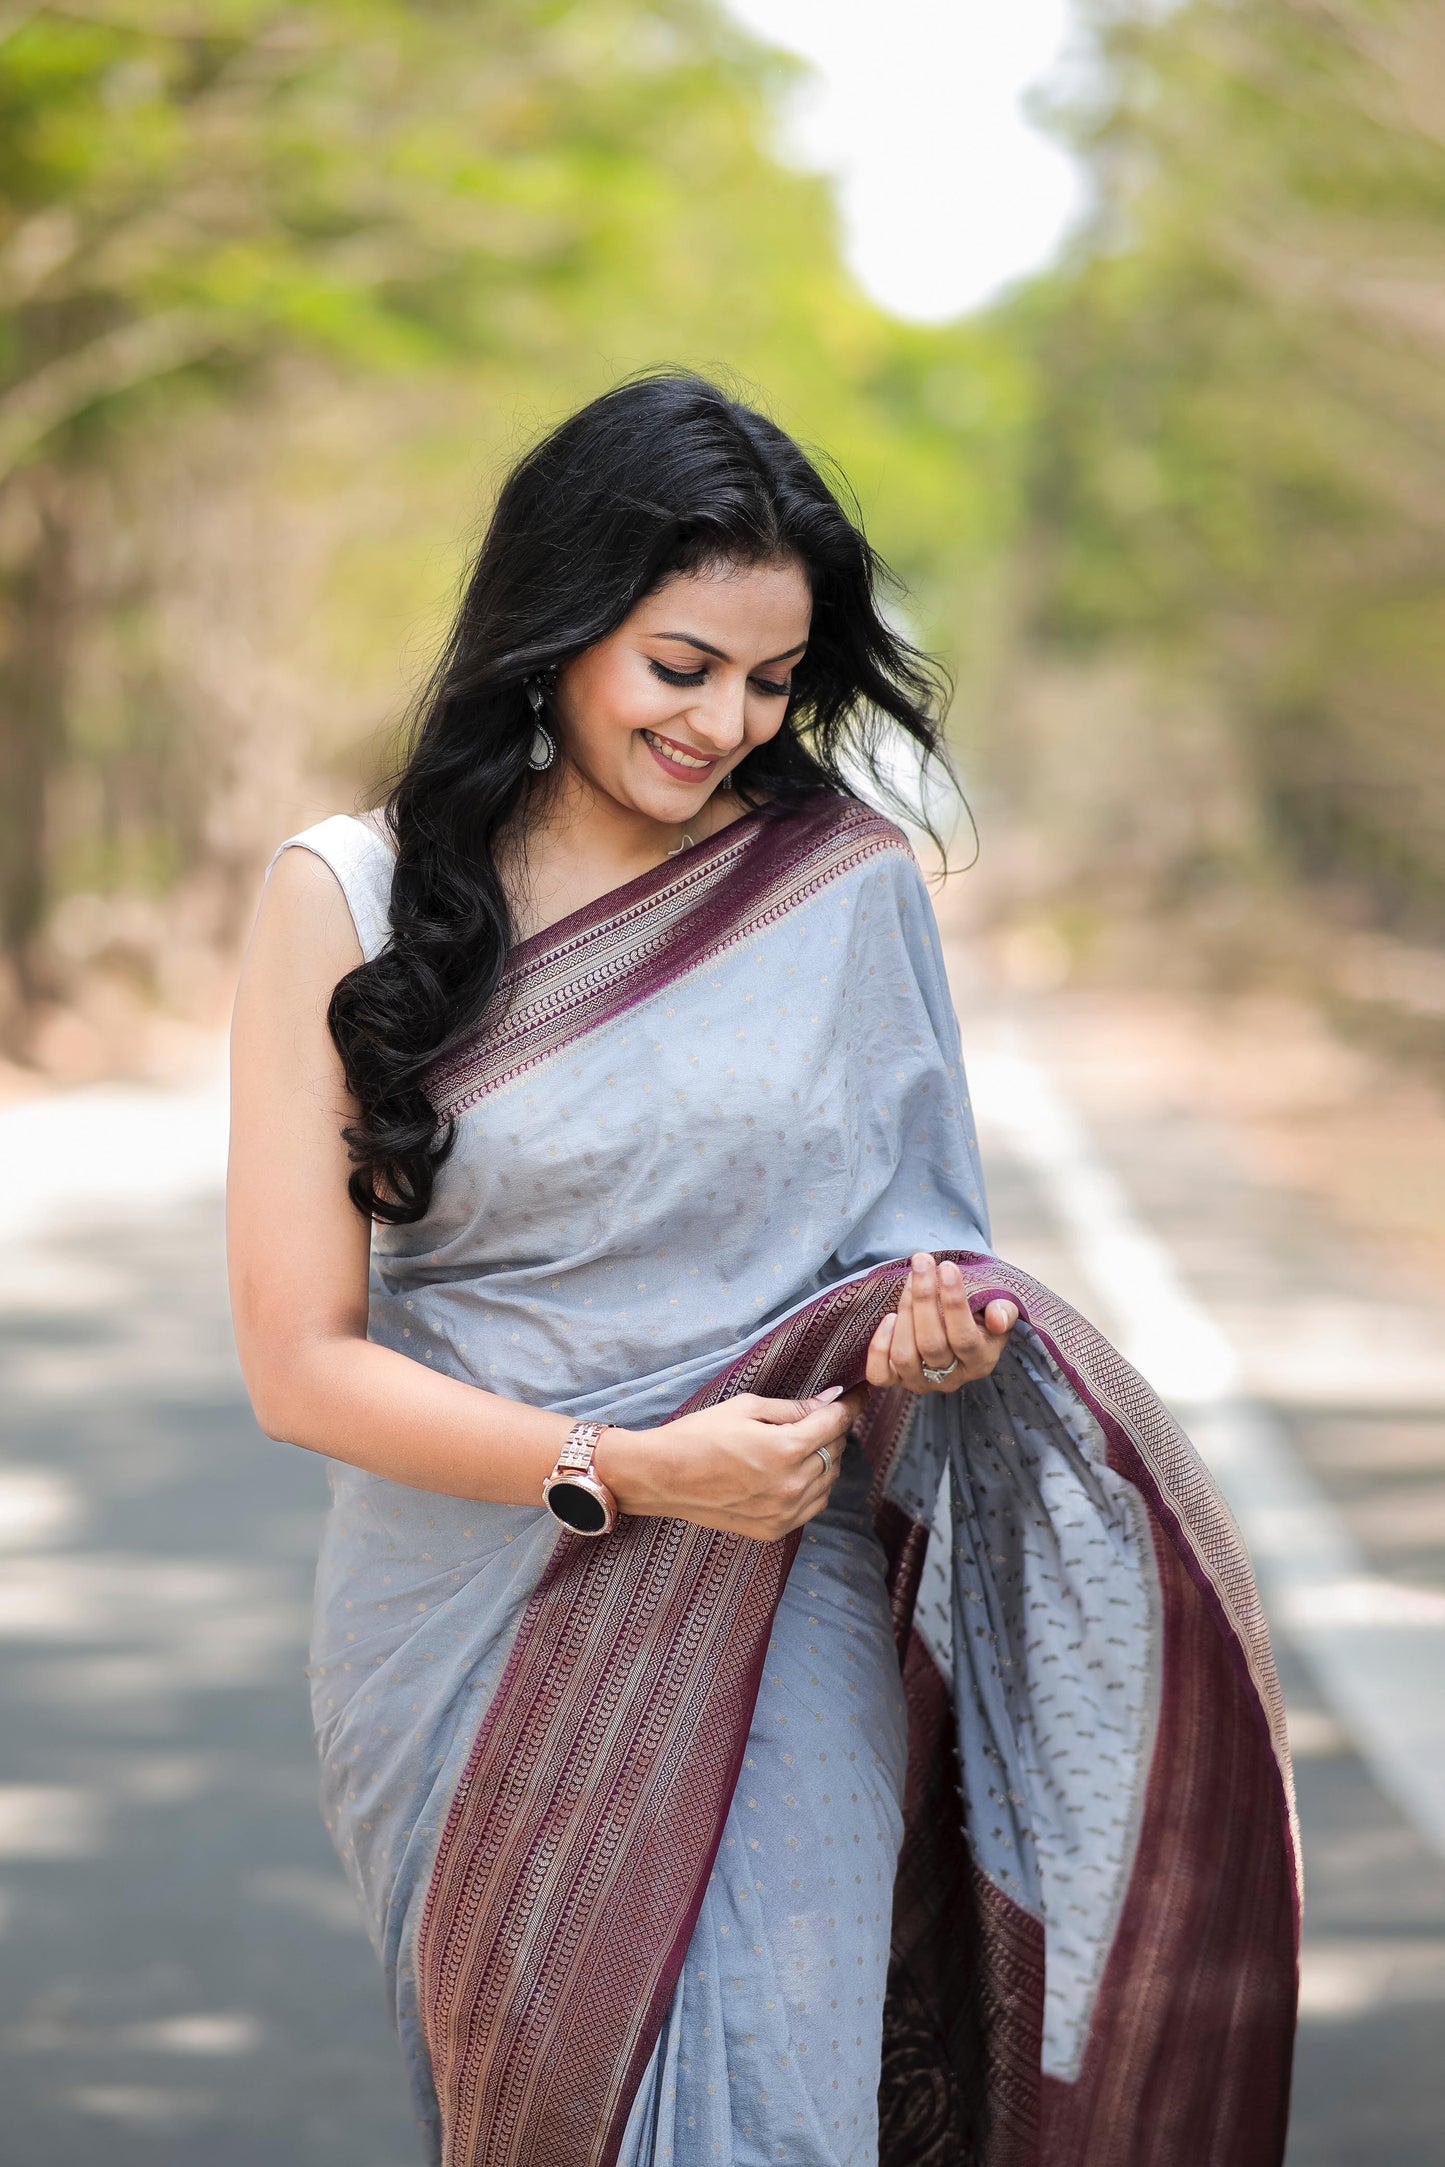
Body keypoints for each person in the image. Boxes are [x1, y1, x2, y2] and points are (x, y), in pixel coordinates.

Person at [227, 371, 1298, 2167]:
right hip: (461, 1619)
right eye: (679, 665)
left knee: (777, 2106)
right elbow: (298, 1364)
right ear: (556, 627)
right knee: (547, 2115)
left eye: (774, 678)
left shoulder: (837, 886)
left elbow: (908, 1251)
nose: (728, 721)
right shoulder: (344, 896)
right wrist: (626, 1471)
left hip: (771, 1577)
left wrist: (931, 1339)